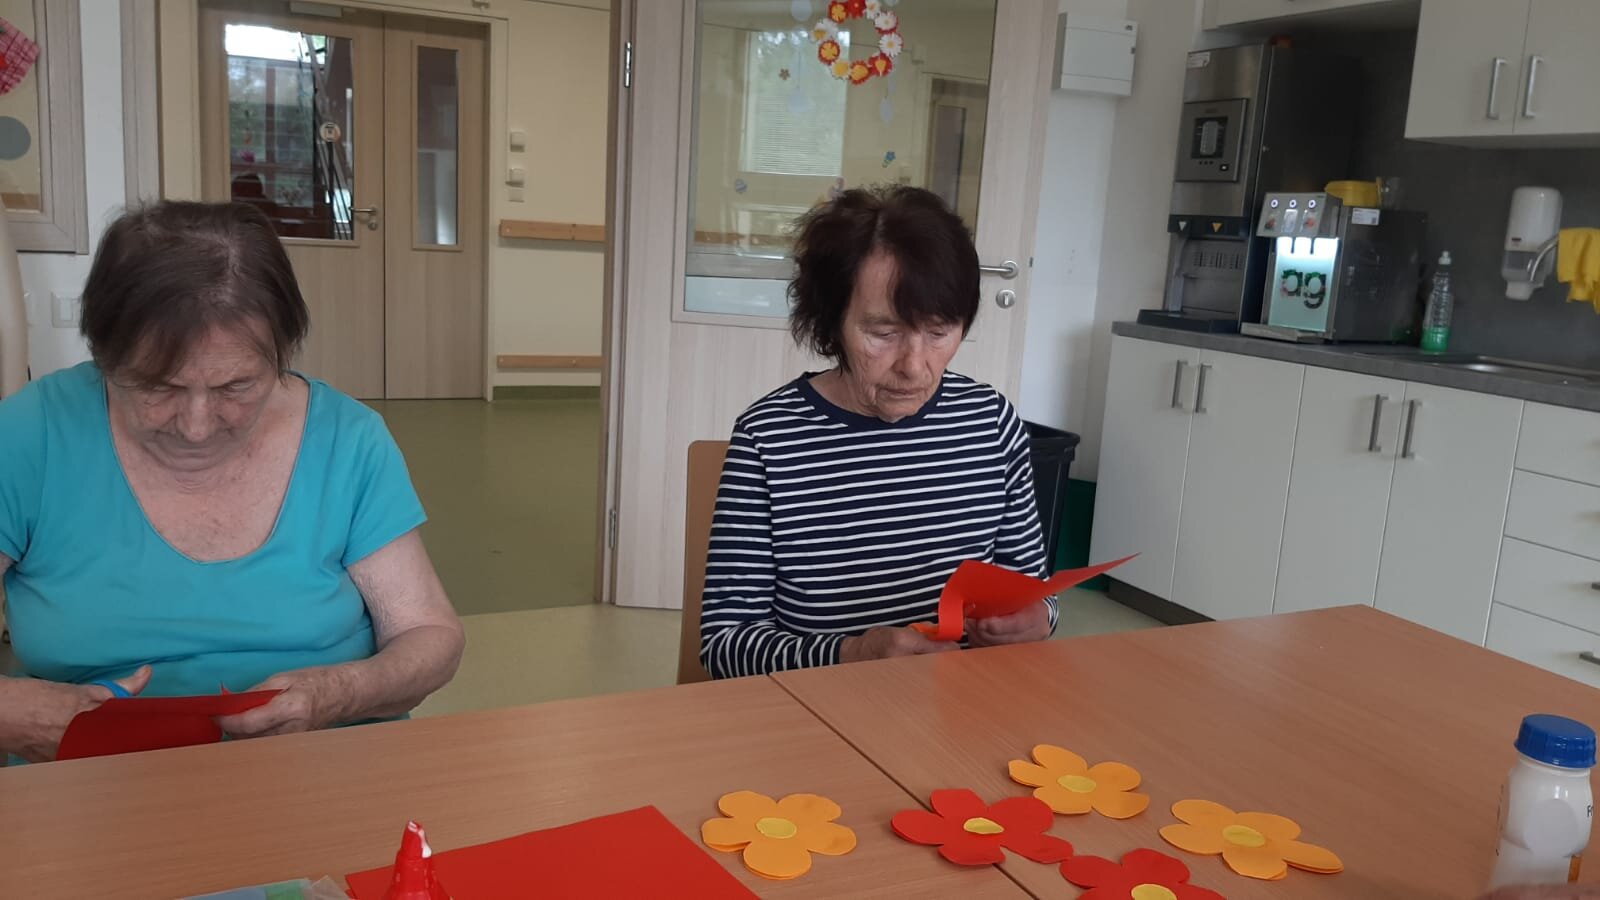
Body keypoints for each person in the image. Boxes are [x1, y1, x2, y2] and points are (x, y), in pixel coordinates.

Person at [0, 202, 465, 762]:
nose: (197, 427)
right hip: (91, 777)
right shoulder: (29, 435)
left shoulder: (347, 438)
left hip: (323, 769)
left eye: (236, 387)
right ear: (103, 355)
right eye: (158, 387)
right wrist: (15, 713)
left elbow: (429, 634)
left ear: (281, 356)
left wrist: (338, 693)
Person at [698, 185, 1054, 679]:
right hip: (821, 704)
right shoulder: (768, 439)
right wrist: (850, 655)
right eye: (883, 334)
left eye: (939, 332)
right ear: (831, 323)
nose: (914, 366)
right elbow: (724, 644)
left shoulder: (991, 423)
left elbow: (1033, 589)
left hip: (961, 698)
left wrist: (1038, 618)